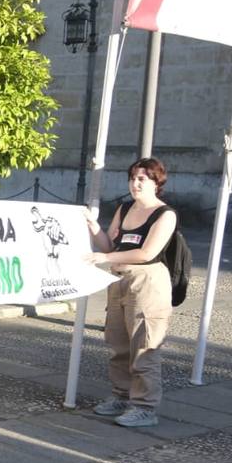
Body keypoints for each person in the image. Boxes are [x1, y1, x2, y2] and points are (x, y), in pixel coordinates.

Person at [83, 157, 178, 428]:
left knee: (144, 345)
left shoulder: (164, 214)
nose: (135, 183)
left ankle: (145, 406)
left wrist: (106, 258)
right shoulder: (124, 209)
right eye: (132, 178)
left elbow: (148, 252)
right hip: (118, 279)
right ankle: (122, 396)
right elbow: (109, 243)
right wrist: (94, 227)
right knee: (118, 343)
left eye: (142, 179)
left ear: (156, 183)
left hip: (147, 283)